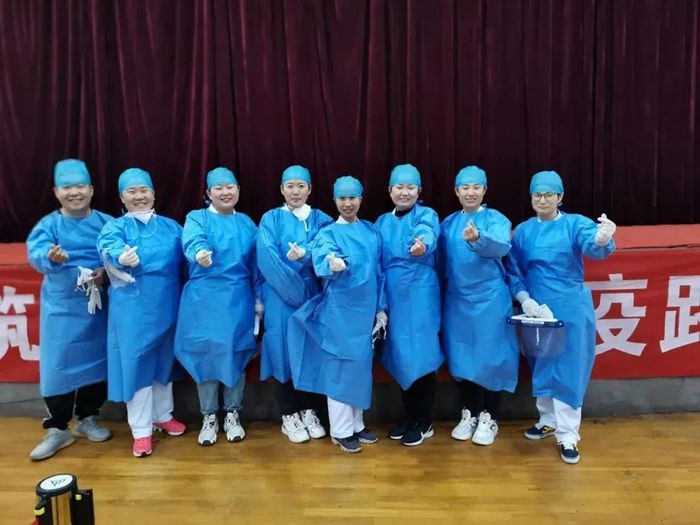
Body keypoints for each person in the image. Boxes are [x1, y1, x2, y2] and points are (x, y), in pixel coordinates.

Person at [507, 170, 616, 464]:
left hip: (570, 307)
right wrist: (524, 299)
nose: (542, 200)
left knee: (569, 366)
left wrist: (602, 239)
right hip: (537, 308)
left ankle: (568, 434)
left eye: (548, 195)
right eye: (537, 195)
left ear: (560, 197)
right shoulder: (524, 231)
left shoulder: (574, 224)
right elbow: (514, 270)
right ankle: (547, 419)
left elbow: (591, 244)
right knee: (540, 363)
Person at [288, 176, 386, 453]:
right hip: (340, 312)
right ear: (334, 200)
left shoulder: (370, 231)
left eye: (352, 198)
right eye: (342, 198)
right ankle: (341, 431)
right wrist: (332, 264)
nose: (347, 203)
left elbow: (379, 272)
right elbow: (322, 256)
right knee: (340, 369)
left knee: (359, 368)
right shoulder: (328, 233)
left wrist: (381, 308)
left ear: (360, 199)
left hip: (365, 312)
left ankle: (356, 424)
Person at [26, 159, 113, 460]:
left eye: (80, 186)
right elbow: (37, 253)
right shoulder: (49, 225)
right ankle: (57, 428)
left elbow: (118, 252)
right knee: (58, 365)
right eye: (67, 187)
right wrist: (51, 258)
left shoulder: (106, 223)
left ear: (91, 189)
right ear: (56, 192)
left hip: (97, 307)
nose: (74, 192)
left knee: (97, 363)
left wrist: (106, 271)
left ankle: (88, 418)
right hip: (62, 308)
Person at [97, 168, 186, 457]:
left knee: (163, 364)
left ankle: (162, 415)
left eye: (144, 190)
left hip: (168, 306)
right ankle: (141, 430)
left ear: (154, 194)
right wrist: (120, 258)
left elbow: (189, 256)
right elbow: (108, 248)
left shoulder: (172, 228)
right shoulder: (116, 228)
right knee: (137, 365)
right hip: (133, 310)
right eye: (132, 192)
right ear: (121, 197)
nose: (139, 196)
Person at [174, 167, 259, 446]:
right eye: (218, 188)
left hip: (237, 298)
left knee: (235, 353)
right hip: (204, 299)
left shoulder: (246, 223)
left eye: (230, 187)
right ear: (208, 193)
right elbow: (193, 239)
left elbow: (257, 264)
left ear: (238, 190)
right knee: (206, 355)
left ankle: (233, 413)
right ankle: (209, 416)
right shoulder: (197, 218)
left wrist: (259, 298)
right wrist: (199, 253)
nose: (225, 192)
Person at [440, 165, 519, 447]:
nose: (470, 192)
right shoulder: (448, 224)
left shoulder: (496, 219)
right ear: (456, 192)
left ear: (484, 190)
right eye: (465, 187)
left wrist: (477, 240)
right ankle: (469, 413)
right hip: (458, 301)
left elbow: (501, 246)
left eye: (476, 187)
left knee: (492, 357)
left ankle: (489, 417)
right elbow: (441, 262)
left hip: (490, 301)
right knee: (463, 358)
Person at [256, 165, 333, 443]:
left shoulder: (322, 220)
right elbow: (267, 257)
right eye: (290, 186)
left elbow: (327, 249)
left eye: (301, 186)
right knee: (283, 351)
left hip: (314, 297)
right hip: (281, 296)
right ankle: (289, 414)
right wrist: (296, 292)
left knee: (310, 352)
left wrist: (306, 254)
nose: (296, 191)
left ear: (310, 189)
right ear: (281, 189)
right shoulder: (271, 219)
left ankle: (310, 410)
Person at [374, 164, 443, 446]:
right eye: (399, 187)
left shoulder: (426, 215)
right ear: (390, 190)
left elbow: (427, 233)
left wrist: (421, 245)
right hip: (393, 293)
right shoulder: (381, 222)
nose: (404, 193)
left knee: (422, 355)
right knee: (401, 355)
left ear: (419, 191)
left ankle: (423, 421)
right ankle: (409, 416)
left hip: (420, 293)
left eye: (410, 187)